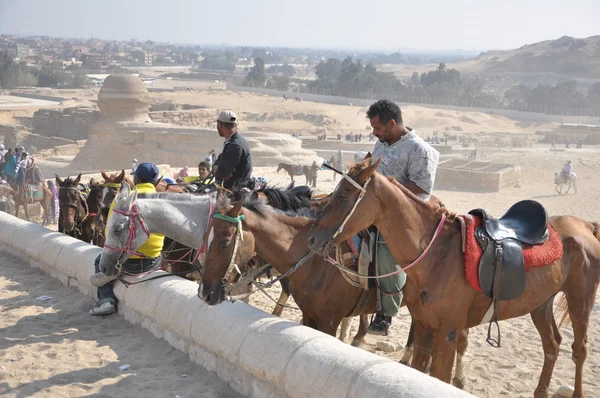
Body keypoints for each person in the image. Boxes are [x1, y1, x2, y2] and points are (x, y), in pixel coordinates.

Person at [366, 99, 440, 336]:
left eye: (377, 128)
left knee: (385, 249)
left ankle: (386, 313)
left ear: (391, 124)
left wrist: (389, 191)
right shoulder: (382, 143)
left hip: (405, 218)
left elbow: (421, 186)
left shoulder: (420, 150)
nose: (374, 132)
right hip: (373, 208)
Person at [89, 162, 166, 316]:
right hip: (152, 261)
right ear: (156, 182)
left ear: (136, 179)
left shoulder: (122, 199)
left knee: (99, 261)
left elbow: (109, 231)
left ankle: (106, 300)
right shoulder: (163, 200)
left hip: (126, 263)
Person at [212, 110, 253, 190]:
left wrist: (216, 169)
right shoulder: (234, 142)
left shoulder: (235, 146)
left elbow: (221, 174)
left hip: (236, 192)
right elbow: (219, 161)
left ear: (220, 124)